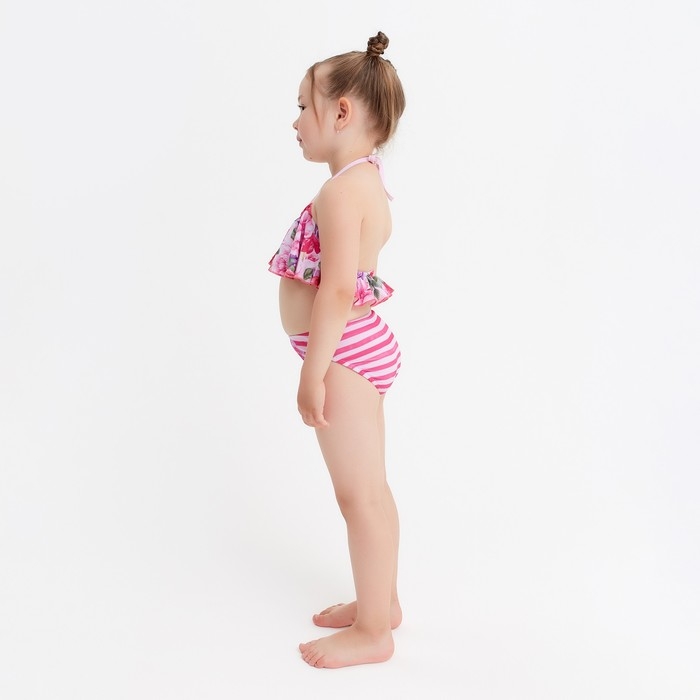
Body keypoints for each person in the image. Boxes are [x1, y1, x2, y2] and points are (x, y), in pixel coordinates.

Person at [268, 31, 406, 669]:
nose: (296, 121)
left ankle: (374, 631)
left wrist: (313, 373)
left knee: (358, 497)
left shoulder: (340, 192)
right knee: (371, 490)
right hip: (358, 349)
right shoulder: (365, 180)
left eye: (304, 106)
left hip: (343, 356)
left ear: (341, 112)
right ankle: (383, 602)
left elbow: (339, 289)